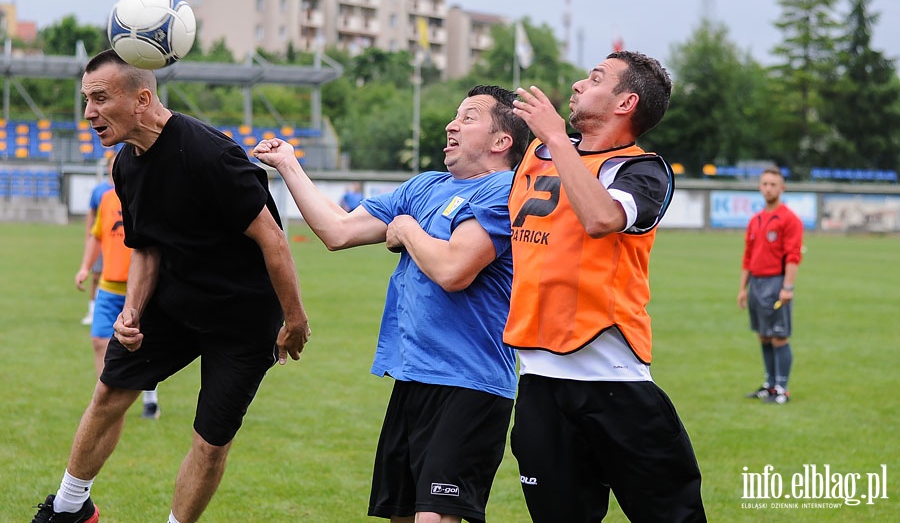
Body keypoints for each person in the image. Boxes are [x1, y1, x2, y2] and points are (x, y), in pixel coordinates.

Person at [32, 49, 311, 523]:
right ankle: (70, 506)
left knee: (210, 442)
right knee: (109, 393)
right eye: (86, 100)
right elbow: (147, 246)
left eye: (100, 99)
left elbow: (273, 239)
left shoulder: (209, 153)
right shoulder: (126, 166)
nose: (88, 113)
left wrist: (295, 319)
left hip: (242, 322)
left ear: (142, 98)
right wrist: (134, 309)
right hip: (175, 305)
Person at [254, 85, 529, 523]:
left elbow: (454, 270)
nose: (451, 125)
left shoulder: (503, 190)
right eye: (455, 115)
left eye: (469, 117)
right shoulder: (425, 186)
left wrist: (406, 228)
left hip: (469, 384)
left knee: (434, 518)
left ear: (502, 142)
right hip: (413, 377)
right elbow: (338, 231)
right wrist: (289, 163)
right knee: (403, 515)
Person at [504, 51, 706, 522]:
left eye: (595, 78)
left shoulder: (642, 170)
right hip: (538, 383)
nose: (577, 84)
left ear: (625, 103)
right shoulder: (537, 155)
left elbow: (600, 218)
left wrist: (556, 136)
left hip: (612, 382)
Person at [74, 165, 161, 420]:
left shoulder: (149, 197)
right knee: (99, 340)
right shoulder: (106, 199)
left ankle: (150, 399)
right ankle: (105, 398)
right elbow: (97, 236)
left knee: (143, 346)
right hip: (109, 287)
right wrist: (85, 267)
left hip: (140, 289)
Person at [737, 166, 803, 405]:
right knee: (763, 336)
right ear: (759, 187)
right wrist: (743, 288)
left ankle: (782, 389)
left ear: (782, 188)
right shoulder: (755, 220)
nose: (768, 188)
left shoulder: (789, 219)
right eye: (765, 183)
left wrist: (788, 287)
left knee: (779, 337)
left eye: (773, 184)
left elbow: (793, 256)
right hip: (756, 283)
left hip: (776, 282)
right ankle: (769, 385)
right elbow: (748, 256)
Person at [80, 157, 114, 325]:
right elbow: (92, 213)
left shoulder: (128, 187)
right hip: (101, 240)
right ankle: (93, 311)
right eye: (112, 164)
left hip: (118, 243)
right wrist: (89, 236)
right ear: (107, 167)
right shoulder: (100, 190)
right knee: (96, 276)